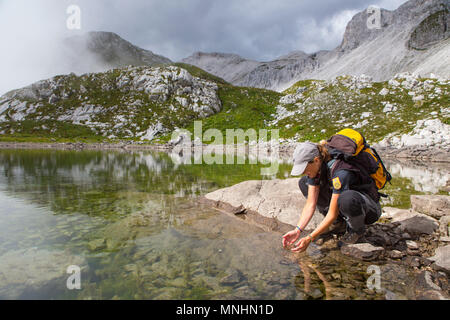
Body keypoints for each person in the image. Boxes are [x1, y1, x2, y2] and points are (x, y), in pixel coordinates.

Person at [282, 141, 382, 253]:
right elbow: (310, 204)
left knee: (347, 198)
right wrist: (297, 230)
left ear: (316, 160)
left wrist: (310, 238)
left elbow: (332, 213)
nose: (304, 172)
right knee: (304, 182)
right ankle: (338, 224)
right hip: (343, 202)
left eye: (304, 168)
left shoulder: (341, 172)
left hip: (368, 207)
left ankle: (357, 231)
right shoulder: (316, 168)